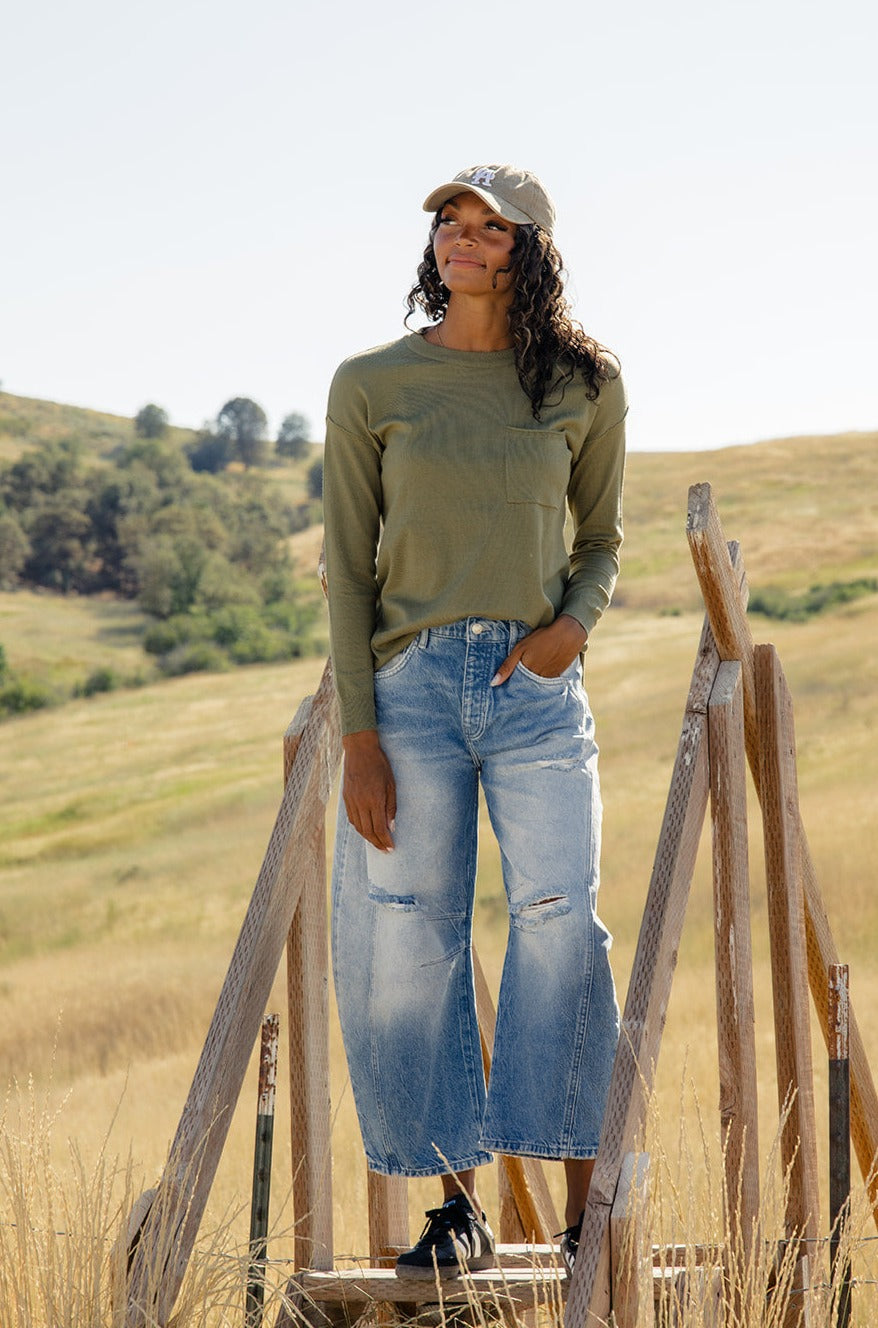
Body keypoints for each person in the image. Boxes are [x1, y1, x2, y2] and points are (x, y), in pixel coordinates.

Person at [322, 164, 626, 1281]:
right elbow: (345, 570)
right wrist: (360, 732)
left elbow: (599, 540)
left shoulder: (584, 382)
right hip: (406, 694)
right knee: (406, 938)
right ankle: (455, 1206)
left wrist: (568, 631)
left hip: (532, 691)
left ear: (528, 250)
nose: (461, 239)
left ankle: (588, 1203)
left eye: (487, 227)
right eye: (449, 222)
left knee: (560, 917)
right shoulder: (370, 383)